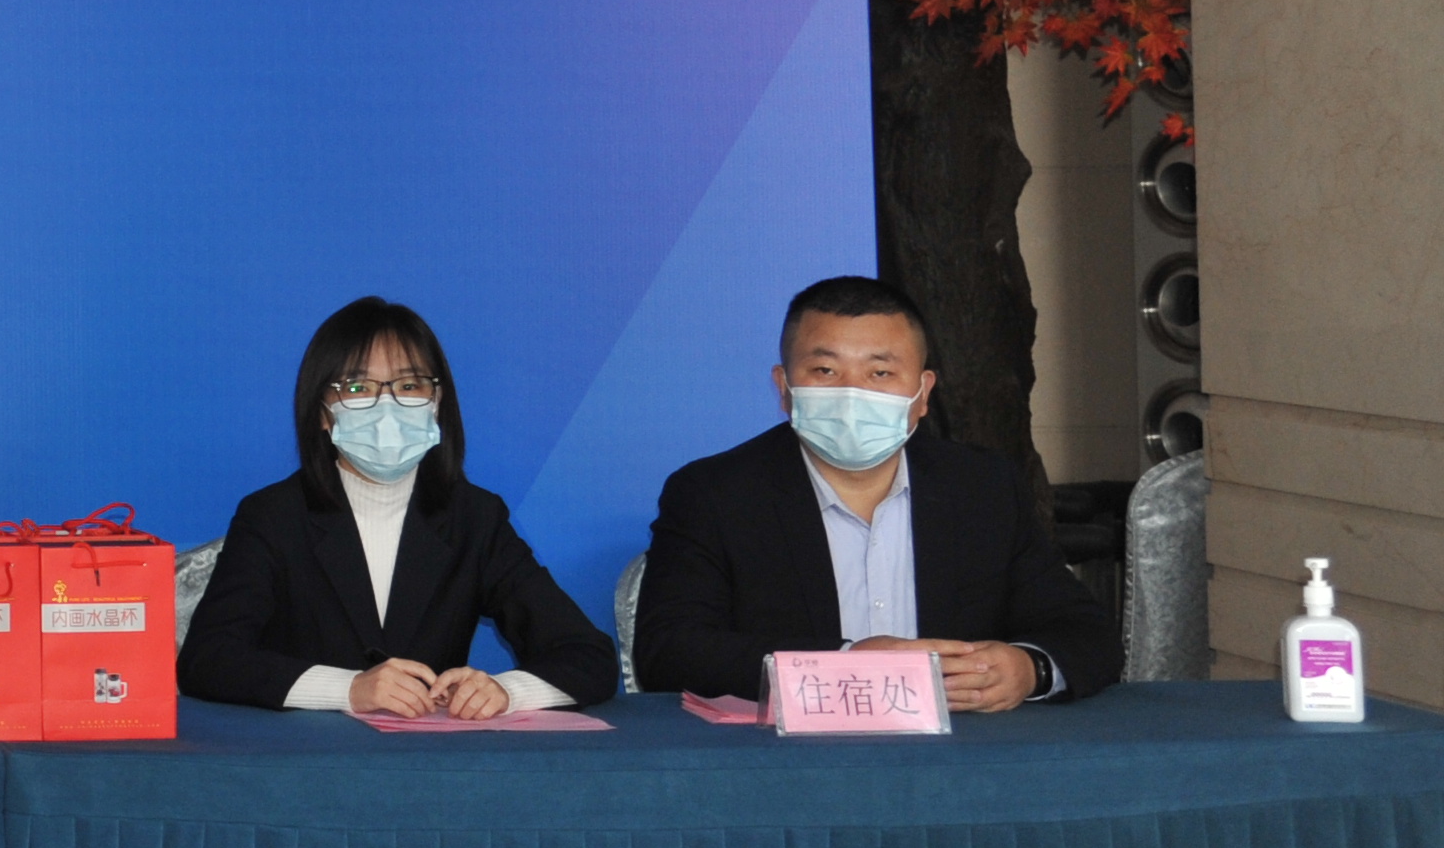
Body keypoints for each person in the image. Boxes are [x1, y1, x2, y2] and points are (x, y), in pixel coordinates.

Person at [634, 274, 1118, 709]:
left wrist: (1029, 669)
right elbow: (668, 652)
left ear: (923, 394)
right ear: (783, 387)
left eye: (880, 373)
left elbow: (1085, 631)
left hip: (961, 756)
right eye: (825, 371)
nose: (852, 394)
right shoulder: (714, 494)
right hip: (788, 760)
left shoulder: (982, 487)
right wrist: (844, 665)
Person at [177, 297, 619, 715]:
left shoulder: (475, 518)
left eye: (409, 385)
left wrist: (508, 692)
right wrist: (348, 689)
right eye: (357, 387)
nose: (386, 405)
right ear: (322, 412)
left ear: (436, 402)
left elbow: (588, 656)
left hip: (427, 761)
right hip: (304, 757)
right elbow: (208, 659)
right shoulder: (273, 516)